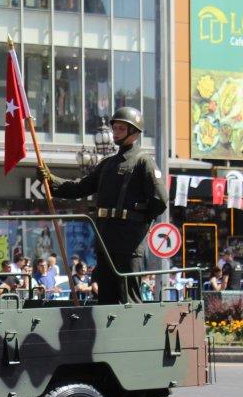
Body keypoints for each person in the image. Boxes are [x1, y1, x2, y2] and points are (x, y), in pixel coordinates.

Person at [39, 106, 167, 304]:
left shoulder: (143, 162)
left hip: (128, 241)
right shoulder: (107, 164)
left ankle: (133, 335)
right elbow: (80, 188)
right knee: (106, 295)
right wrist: (50, 180)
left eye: (121, 129)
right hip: (105, 236)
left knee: (128, 297)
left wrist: (137, 221)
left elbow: (160, 200)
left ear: (134, 132)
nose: (115, 132)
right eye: (114, 128)